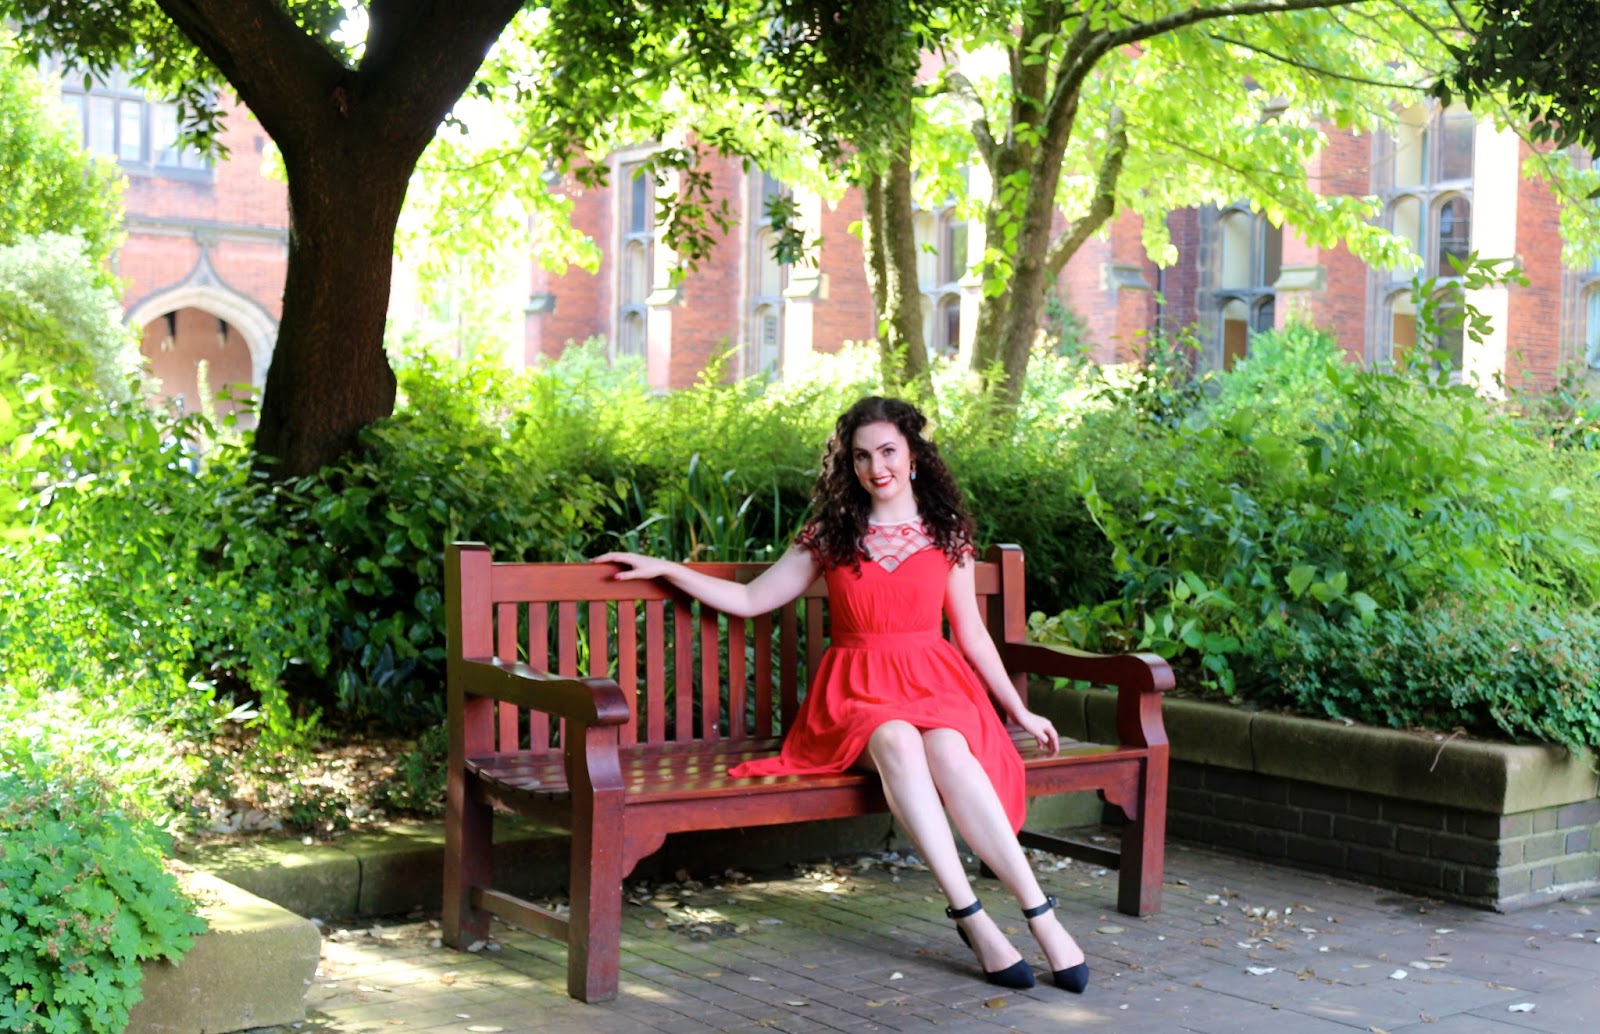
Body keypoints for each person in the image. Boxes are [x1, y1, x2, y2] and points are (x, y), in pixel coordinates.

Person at [593, 395, 1088, 993]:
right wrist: (666, 567)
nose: (875, 467)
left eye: (887, 452)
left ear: (913, 456)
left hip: (935, 682)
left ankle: (1041, 915)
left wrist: (1019, 708)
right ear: (848, 465)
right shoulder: (832, 533)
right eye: (861, 456)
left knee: (952, 752)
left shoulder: (946, 532)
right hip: (857, 693)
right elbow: (752, 600)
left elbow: (973, 635)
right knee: (899, 742)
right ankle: (972, 917)